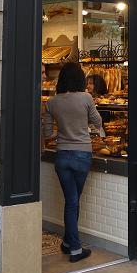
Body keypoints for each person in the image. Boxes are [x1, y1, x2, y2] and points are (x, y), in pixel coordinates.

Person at [44, 62, 102, 262]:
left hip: (62, 155)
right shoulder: (86, 98)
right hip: (82, 155)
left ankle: (68, 242)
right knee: (73, 201)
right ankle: (76, 250)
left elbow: (48, 133)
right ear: (80, 79)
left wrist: (63, 132)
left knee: (71, 200)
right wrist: (83, 128)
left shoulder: (52, 102)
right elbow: (98, 122)